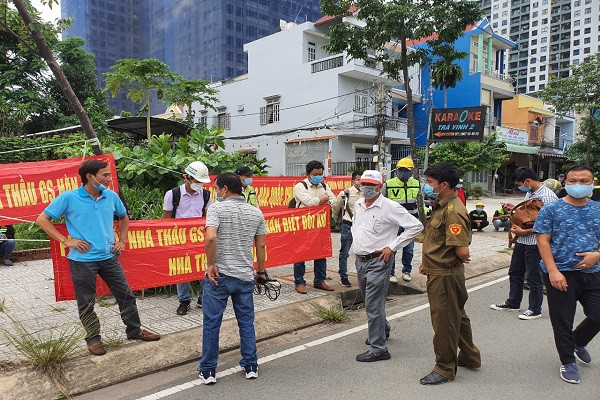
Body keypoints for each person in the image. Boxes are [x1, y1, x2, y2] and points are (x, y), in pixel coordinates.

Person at [36, 159, 160, 356]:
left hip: (109, 257)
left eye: (110, 175)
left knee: (126, 294)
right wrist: (66, 241)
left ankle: (134, 330)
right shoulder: (69, 197)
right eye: (105, 175)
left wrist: (122, 240)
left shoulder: (111, 196)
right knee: (86, 302)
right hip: (82, 260)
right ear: (90, 177)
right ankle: (93, 339)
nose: (110, 179)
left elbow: (124, 216)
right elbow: (42, 219)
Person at [198, 172, 267, 384]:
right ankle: (251, 365)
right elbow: (261, 245)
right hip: (245, 276)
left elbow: (211, 237)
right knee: (246, 322)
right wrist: (261, 272)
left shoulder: (216, 209)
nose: (216, 192)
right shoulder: (256, 213)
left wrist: (211, 265)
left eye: (217, 188)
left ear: (225, 189)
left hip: (219, 276)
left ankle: (209, 370)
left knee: (212, 323)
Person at [533, 165, 600, 384]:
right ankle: (568, 361)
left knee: (597, 315)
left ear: (592, 184)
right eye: (572, 181)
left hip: (592, 272)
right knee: (562, 320)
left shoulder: (598, 209)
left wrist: (597, 255)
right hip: (561, 272)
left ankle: (578, 341)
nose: (577, 185)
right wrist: (553, 271)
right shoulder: (551, 210)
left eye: (583, 181)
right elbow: (542, 240)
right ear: (565, 183)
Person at [418, 162, 481, 385]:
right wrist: (428, 262)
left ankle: (444, 368)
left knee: (444, 321)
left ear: (444, 184)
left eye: (430, 183)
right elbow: (438, 240)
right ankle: (470, 357)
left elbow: (462, 251)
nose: (427, 186)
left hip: (445, 275)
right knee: (458, 317)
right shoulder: (442, 206)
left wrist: (450, 260)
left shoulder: (453, 211)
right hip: (440, 269)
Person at [352, 170, 423, 362]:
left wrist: (392, 247)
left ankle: (379, 347)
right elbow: (356, 227)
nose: (365, 188)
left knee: (373, 303)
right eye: (363, 184)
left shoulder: (390, 207)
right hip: (361, 259)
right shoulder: (358, 204)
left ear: (380, 187)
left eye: (369, 185)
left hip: (379, 260)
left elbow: (416, 226)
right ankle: (383, 329)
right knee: (370, 300)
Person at [491, 166, 557, 320]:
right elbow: (529, 215)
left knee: (534, 277)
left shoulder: (548, 197)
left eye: (519, 183)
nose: (519, 187)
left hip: (536, 243)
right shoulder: (530, 193)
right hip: (522, 241)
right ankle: (513, 302)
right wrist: (514, 209)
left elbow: (548, 226)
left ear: (527, 181)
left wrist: (523, 232)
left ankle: (535, 309)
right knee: (515, 272)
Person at [163, 161, 212, 315]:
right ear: (188, 178)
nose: (200, 185)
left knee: (204, 267)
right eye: (198, 181)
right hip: (180, 239)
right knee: (182, 269)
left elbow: (207, 217)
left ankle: (203, 299)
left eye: (202, 182)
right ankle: (184, 301)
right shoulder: (173, 194)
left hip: (199, 239)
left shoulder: (205, 195)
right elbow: (167, 220)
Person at [292, 160, 336, 294]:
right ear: (308, 174)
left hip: (320, 224)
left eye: (320, 174)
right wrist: (323, 200)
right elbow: (310, 203)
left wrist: (325, 200)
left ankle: (319, 281)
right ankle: (299, 282)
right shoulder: (300, 186)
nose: (318, 176)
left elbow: (333, 200)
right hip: (303, 224)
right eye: (315, 174)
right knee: (300, 254)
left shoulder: (323, 185)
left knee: (321, 253)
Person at [384, 157, 420, 283]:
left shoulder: (416, 184)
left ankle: (406, 271)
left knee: (409, 249)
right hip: (394, 223)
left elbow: (420, 202)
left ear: (411, 171)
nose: (404, 172)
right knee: (392, 248)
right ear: (397, 170)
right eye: (402, 169)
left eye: (407, 170)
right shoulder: (388, 184)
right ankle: (391, 273)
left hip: (410, 223)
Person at [331, 171, 362, 287]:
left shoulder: (366, 193)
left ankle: (362, 275)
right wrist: (337, 220)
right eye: (358, 179)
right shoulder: (346, 193)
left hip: (361, 227)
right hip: (348, 225)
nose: (360, 182)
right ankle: (343, 276)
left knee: (362, 252)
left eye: (362, 179)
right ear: (353, 181)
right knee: (344, 253)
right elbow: (335, 207)